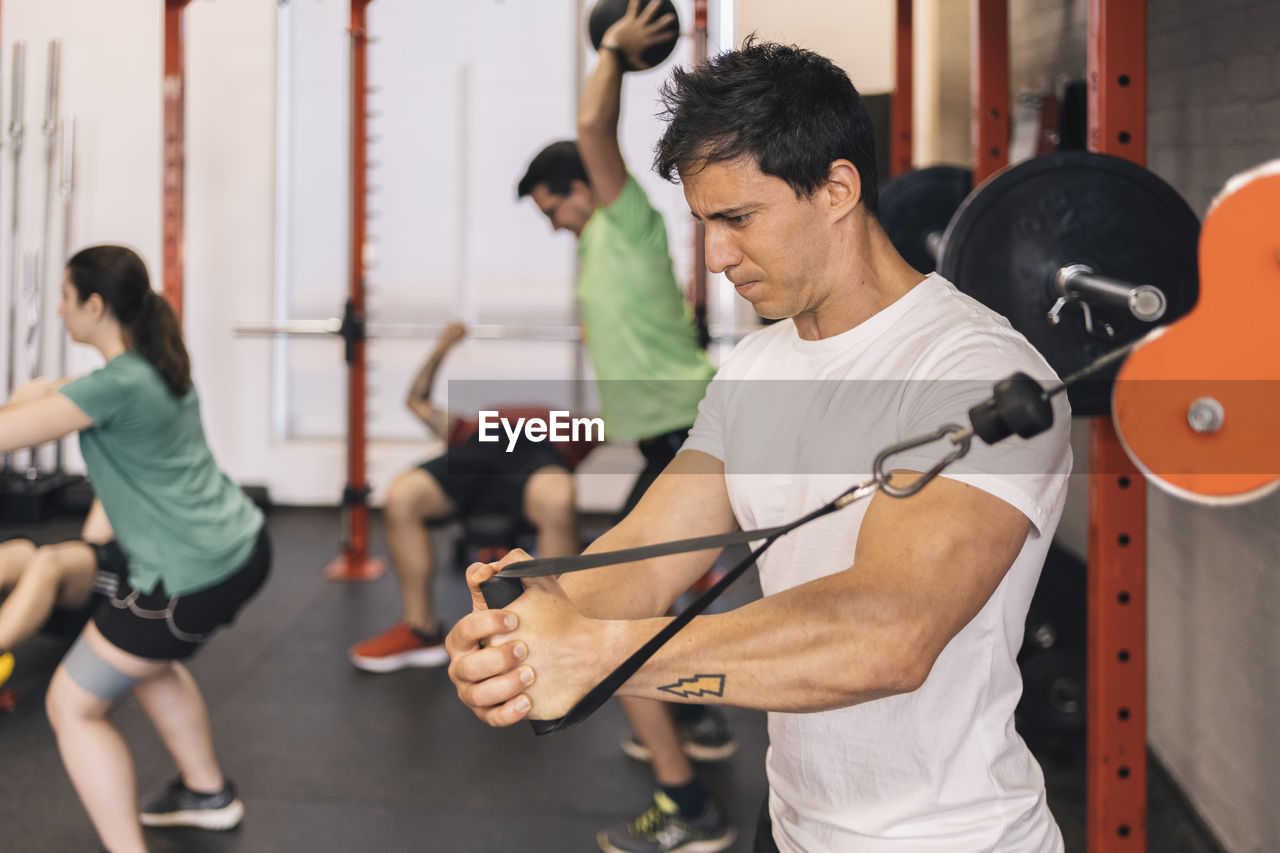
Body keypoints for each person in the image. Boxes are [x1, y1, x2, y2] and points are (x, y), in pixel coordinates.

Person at [449, 39, 1073, 853]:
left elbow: (886, 633)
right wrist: (535, 617)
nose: (715, 257)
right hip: (790, 826)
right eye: (705, 222)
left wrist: (599, 654)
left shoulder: (974, 372)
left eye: (739, 218)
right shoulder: (756, 366)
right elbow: (648, 549)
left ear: (837, 189)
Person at [516, 3, 735, 850]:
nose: (552, 224)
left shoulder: (626, 219)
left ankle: (687, 803)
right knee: (652, 594)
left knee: (609, 620)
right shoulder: (593, 244)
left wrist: (611, 47)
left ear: (584, 187)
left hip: (692, 435)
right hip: (673, 439)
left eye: (551, 208)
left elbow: (588, 122)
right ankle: (702, 722)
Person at [0, 245, 271, 853]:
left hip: (188, 575)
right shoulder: (151, 364)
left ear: (94, 305)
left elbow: (15, 426)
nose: (61, 310)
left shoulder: (112, 388)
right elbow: (51, 394)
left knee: (72, 704)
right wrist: (32, 395)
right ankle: (206, 794)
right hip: (238, 547)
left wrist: (28, 400)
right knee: (143, 662)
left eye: (66, 299)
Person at [348, 322, 588, 672]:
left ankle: (555, 630)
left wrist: (601, 346)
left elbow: (625, 417)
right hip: (474, 455)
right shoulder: (467, 426)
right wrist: (444, 344)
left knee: (558, 499)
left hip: (538, 453)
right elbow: (416, 401)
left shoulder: (569, 426)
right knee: (402, 495)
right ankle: (421, 629)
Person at [0, 500, 114, 695]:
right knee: (8, 556)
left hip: (124, 588)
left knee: (47, 562)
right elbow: (92, 537)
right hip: (83, 557)